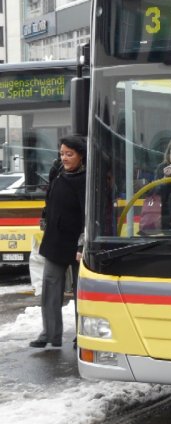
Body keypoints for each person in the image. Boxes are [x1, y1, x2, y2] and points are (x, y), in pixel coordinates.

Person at [29, 135, 87, 349]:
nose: (64, 158)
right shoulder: (57, 171)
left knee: (82, 291)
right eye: (62, 153)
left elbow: (87, 215)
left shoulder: (86, 179)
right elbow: (49, 198)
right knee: (50, 287)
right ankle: (50, 333)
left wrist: (82, 245)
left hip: (77, 243)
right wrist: (45, 218)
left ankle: (83, 334)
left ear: (81, 155)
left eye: (69, 154)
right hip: (55, 239)